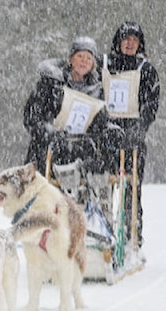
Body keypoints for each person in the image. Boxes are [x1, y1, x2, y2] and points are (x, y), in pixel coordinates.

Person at [23, 36, 122, 176]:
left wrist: (110, 131)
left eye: (88, 58)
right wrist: (48, 132)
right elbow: (32, 116)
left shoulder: (97, 89)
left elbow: (100, 121)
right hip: (51, 148)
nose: (84, 61)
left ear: (93, 64)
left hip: (82, 149)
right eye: (80, 56)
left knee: (100, 155)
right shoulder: (50, 84)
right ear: (71, 59)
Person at [103, 21, 160, 247]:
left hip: (132, 137)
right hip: (106, 135)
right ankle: (103, 228)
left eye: (134, 40)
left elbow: (151, 104)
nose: (129, 43)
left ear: (140, 44)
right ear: (118, 41)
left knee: (131, 188)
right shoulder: (105, 63)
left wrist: (138, 129)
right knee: (101, 184)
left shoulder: (146, 70)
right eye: (126, 39)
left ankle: (131, 235)